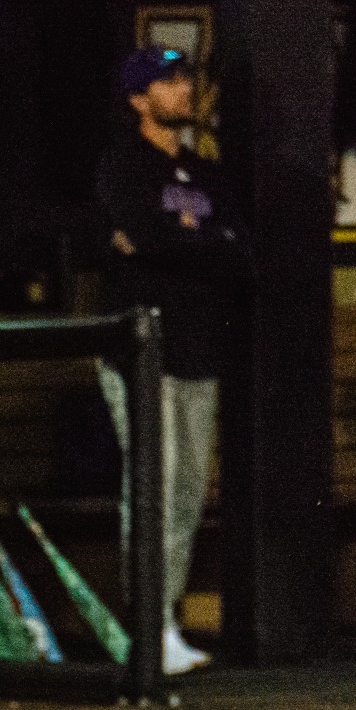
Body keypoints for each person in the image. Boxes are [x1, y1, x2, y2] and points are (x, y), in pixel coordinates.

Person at [95, 47, 251, 677]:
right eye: (168, 81)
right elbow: (145, 234)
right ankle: (147, 626)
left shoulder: (206, 172)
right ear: (139, 99)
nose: (184, 89)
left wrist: (180, 240)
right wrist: (195, 241)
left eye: (187, 79)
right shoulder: (122, 165)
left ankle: (166, 623)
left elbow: (238, 252)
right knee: (152, 488)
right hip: (142, 354)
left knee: (186, 495)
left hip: (198, 348)